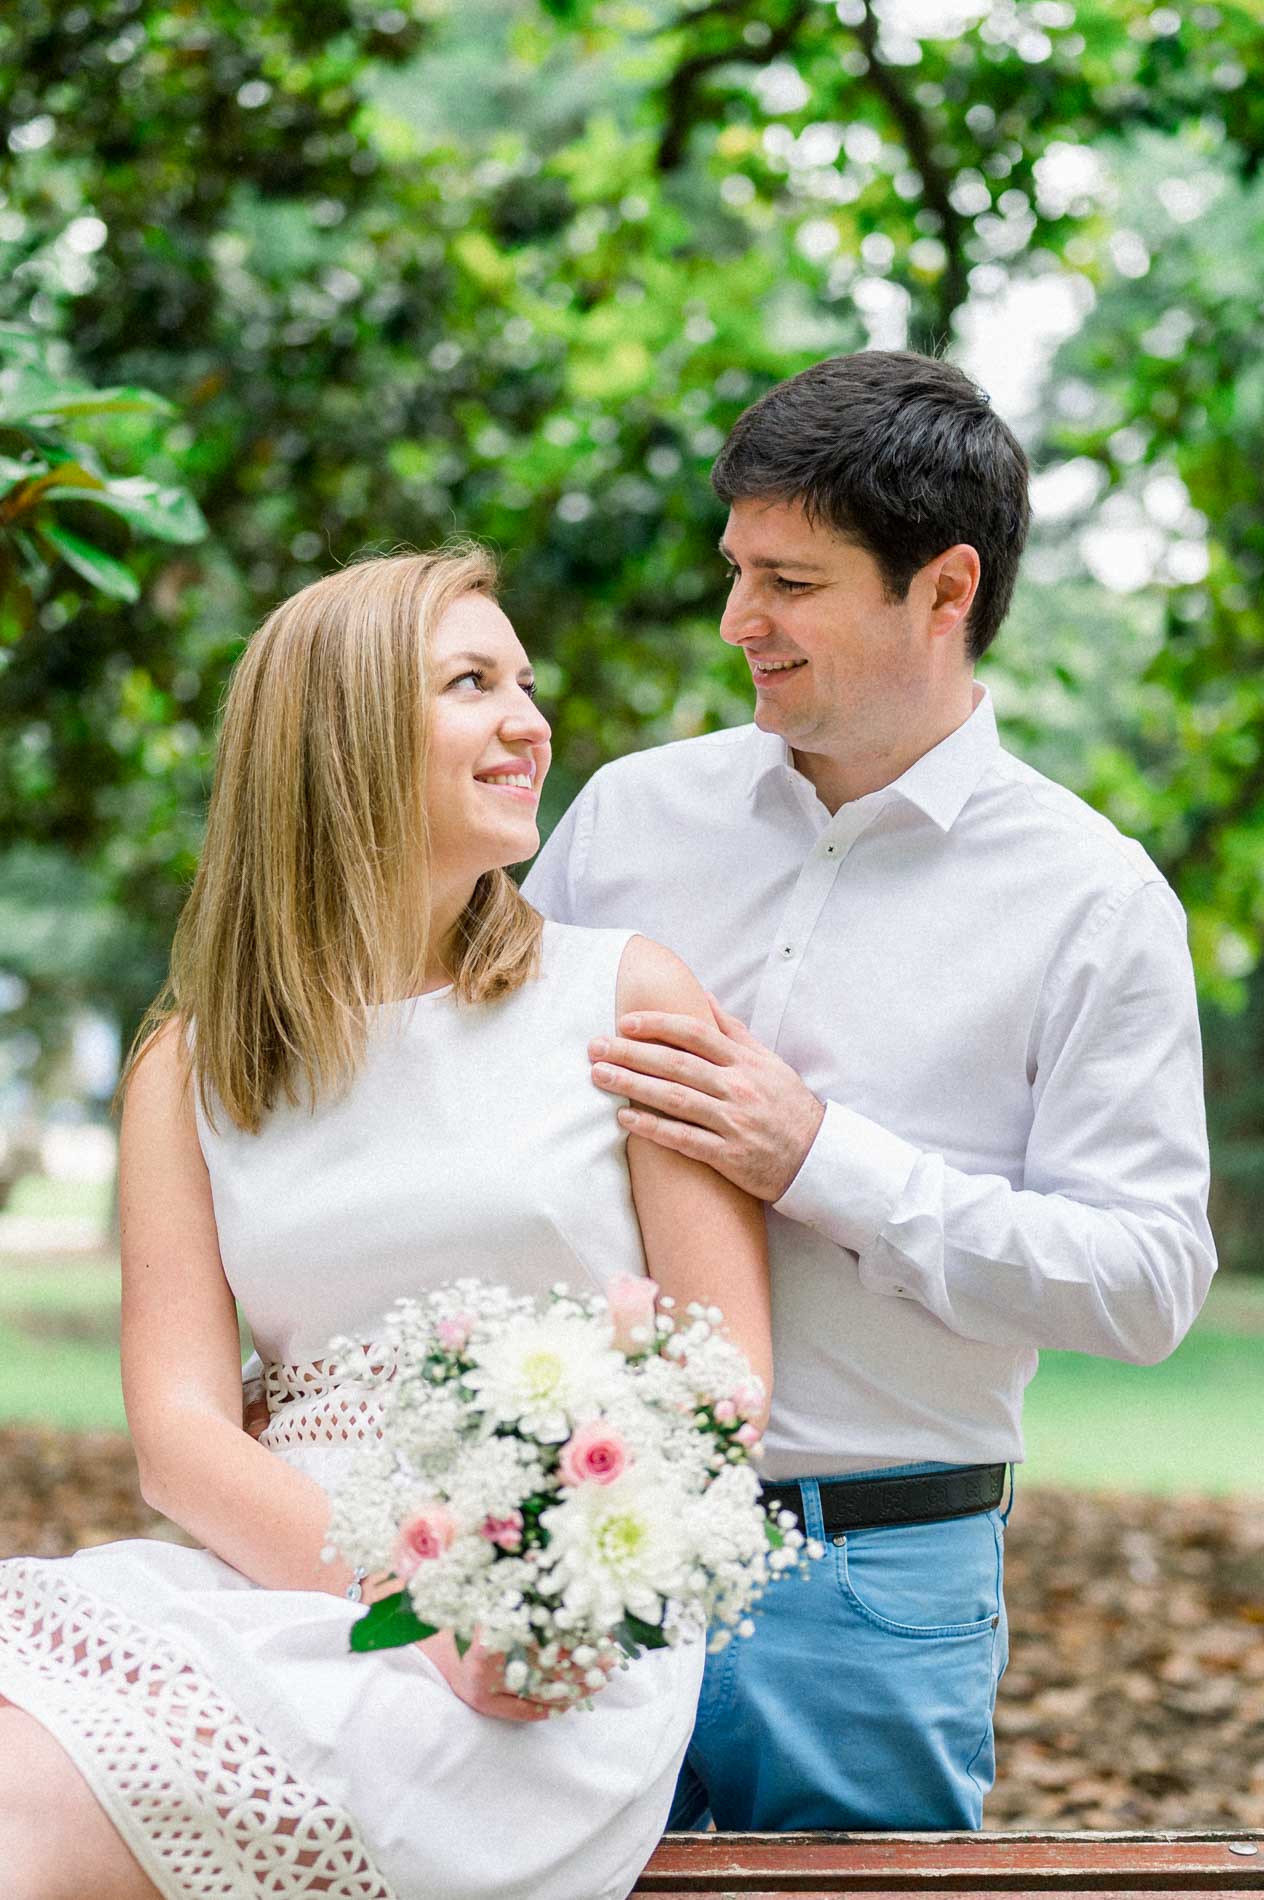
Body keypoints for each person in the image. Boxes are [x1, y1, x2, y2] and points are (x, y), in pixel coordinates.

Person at [0, 545, 773, 1900]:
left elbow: (730, 1385)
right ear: (339, 737)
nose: (528, 720)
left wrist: (492, 1608)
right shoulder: (191, 1065)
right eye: (471, 684)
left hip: (538, 1645)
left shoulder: (628, 997)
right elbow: (180, 1443)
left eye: (524, 681)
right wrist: (399, 1602)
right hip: (278, 1568)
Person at [522, 349, 1216, 1834]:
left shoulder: (1094, 902)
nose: (737, 622)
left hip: (874, 1578)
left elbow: (1149, 1281)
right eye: (735, 571)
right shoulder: (627, 817)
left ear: (945, 588)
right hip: (568, 1534)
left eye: (791, 581)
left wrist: (821, 1157)